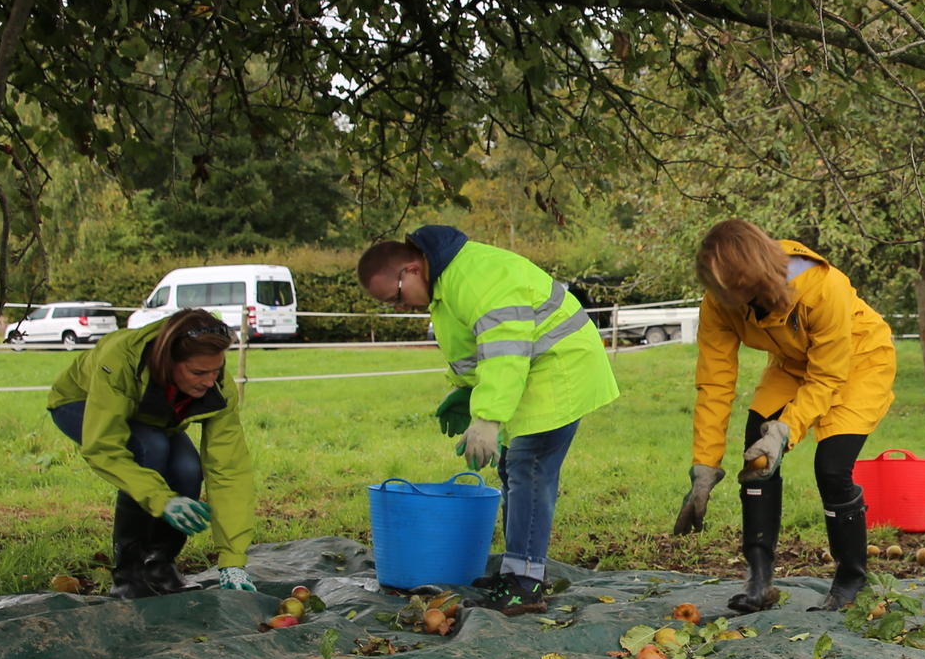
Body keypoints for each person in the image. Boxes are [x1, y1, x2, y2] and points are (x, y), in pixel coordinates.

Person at [359, 227, 620, 616]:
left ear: (412, 269)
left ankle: (525, 585)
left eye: (395, 297)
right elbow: (476, 349)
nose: (399, 307)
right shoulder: (445, 288)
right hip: (534, 375)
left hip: (561, 372)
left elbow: (506, 350)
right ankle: (518, 571)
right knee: (513, 468)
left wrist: (488, 417)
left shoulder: (473, 277)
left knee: (528, 469)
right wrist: (466, 391)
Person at [671, 219, 897, 614]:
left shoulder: (823, 288)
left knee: (831, 469)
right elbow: (715, 384)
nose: (730, 304)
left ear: (755, 275)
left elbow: (828, 375)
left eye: (737, 293)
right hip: (794, 364)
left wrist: (784, 431)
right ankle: (759, 580)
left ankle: (850, 579)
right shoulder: (720, 301)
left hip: (859, 360)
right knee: (756, 459)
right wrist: (704, 467)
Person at [45, 309, 255, 599]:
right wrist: (162, 500)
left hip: (152, 419)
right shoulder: (120, 359)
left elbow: (229, 467)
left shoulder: (217, 386)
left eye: (216, 370)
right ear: (167, 362)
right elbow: (104, 447)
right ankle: (128, 574)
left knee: (188, 469)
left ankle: (160, 565)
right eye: (198, 372)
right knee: (152, 447)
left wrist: (233, 560)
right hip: (82, 403)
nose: (210, 381)